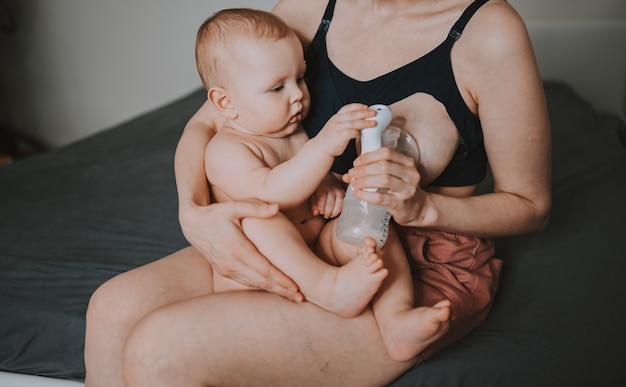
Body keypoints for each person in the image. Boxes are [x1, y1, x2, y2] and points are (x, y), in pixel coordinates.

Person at [84, 0, 551, 386]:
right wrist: (193, 209)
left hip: (406, 251)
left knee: (160, 349)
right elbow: (211, 119)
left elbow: (531, 206)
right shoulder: (310, 8)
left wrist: (425, 206)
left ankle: (391, 317)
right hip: (300, 229)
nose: (298, 94)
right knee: (112, 307)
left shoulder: (488, 31)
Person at [196, 7, 451, 360]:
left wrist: (329, 185)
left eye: (300, 78)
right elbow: (274, 191)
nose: (297, 95)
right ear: (226, 102)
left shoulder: (291, 131)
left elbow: (304, 179)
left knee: (370, 224)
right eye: (276, 87)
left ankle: (397, 318)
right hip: (264, 271)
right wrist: (323, 148)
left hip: (317, 246)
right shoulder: (225, 150)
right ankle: (329, 289)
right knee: (258, 218)